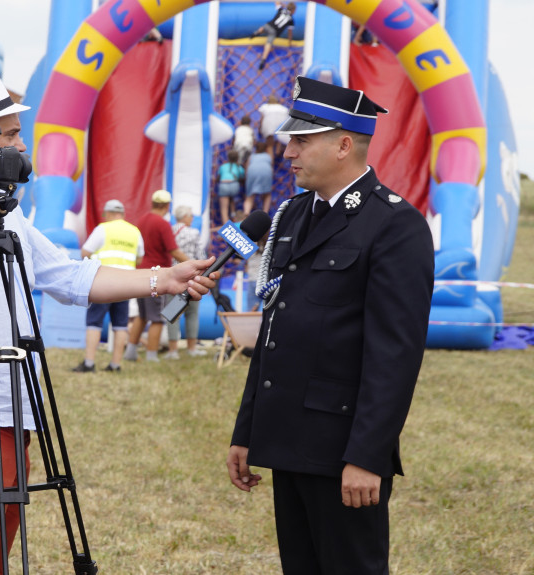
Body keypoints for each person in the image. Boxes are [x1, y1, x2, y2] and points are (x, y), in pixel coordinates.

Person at [0, 72, 218, 575]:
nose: (22, 145)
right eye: (12, 135)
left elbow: (69, 275)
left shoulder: (3, 207)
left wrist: (162, 279)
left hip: (16, 408)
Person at [226, 76, 435, 574]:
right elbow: (275, 332)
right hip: (287, 436)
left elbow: (394, 356)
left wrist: (368, 456)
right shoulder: (293, 215)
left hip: (341, 448)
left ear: (344, 145)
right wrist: (247, 430)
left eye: (301, 140)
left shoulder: (394, 225)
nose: (288, 151)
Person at [74, 199, 145, 373]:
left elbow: (85, 252)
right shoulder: (134, 231)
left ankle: (89, 363)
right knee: (121, 324)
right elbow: (140, 258)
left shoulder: (103, 229)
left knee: (94, 321)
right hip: (127, 284)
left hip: (103, 282)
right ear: (122, 213)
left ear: (107, 213)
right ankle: (115, 364)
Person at [123, 189, 190, 363]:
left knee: (143, 315)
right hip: (157, 275)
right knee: (158, 318)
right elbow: (174, 251)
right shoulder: (162, 224)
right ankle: (152, 355)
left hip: (141, 272)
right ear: (167, 206)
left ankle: (130, 351)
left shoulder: (142, 220)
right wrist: (193, 263)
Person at [164, 205, 207, 359]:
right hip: (191, 278)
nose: (192, 219)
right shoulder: (194, 233)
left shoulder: (170, 231)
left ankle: (173, 350)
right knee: (192, 314)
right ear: (185, 217)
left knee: (173, 313)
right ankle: (191, 348)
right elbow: (200, 256)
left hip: (172, 278)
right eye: (190, 216)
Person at [253, 1, 296, 70]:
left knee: (264, 28)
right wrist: (290, 42)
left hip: (269, 25)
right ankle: (263, 59)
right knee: (268, 44)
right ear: (293, 10)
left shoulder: (282, 10)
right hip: (274, 31)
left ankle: (256, 33)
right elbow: (290, 33)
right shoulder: (291, 20)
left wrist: (282, 4)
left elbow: (277, 2)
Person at [244, 140, 274, 215]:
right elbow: (271, 164)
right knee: (267, 194)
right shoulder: (268, 156)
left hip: (252, 172)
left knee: (250, 196)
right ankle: (265, 213)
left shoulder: (252, 156)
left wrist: (246, 178)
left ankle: (246, 213)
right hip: (266, 172)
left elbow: (247, 168)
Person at [216, 149, 244, 222]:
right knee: (231, 200)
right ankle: (233, 216)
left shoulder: (223, 166)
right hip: (235, 185)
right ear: (237, 158)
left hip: (224, 185)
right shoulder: (239, 167)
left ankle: (225, 225)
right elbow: (242, 177)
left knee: (224, 209)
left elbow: (218, 178)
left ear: (228, 158)